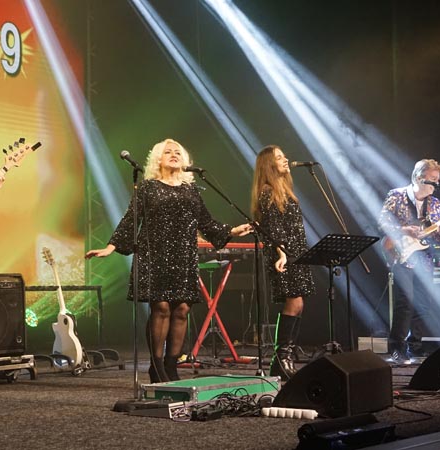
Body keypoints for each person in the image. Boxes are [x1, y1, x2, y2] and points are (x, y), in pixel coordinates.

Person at [85, 138, 252, 383]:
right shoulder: (148, 187)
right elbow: (132, 218)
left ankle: (171, 365)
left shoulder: (190, 189)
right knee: (161, 308)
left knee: (182, 309)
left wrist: (232, 231)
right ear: (158, 159)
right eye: (168, 152)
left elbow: (206, 222)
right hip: (154, 254)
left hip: (183, 255)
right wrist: (111, 247)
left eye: (177, 152)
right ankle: (156, 365)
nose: (174, 154)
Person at [251, 145, 315, 380]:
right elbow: (273, 227)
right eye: (279, 157)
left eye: (284, 155)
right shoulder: (267, 192)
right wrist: (282, 253)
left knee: (298, 303)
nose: (285, 159)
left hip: (296, 252)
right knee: (294, 302)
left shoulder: (284, 189)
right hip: (286, 253)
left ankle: (284, 358)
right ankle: (281, 358)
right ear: (269, 165)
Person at [378, 159, 440, 364]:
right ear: (419, 177)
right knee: (405, 302)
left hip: (423, 258)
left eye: (438, 179)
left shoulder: (436, 204)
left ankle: (415, 346)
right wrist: (403, 230)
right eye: (433, 179)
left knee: (423, 304)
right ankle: (397, 349)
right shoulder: (397, 195)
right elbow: (382, 223)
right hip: (400, 253)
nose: (436, 183)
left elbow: (438, 240)